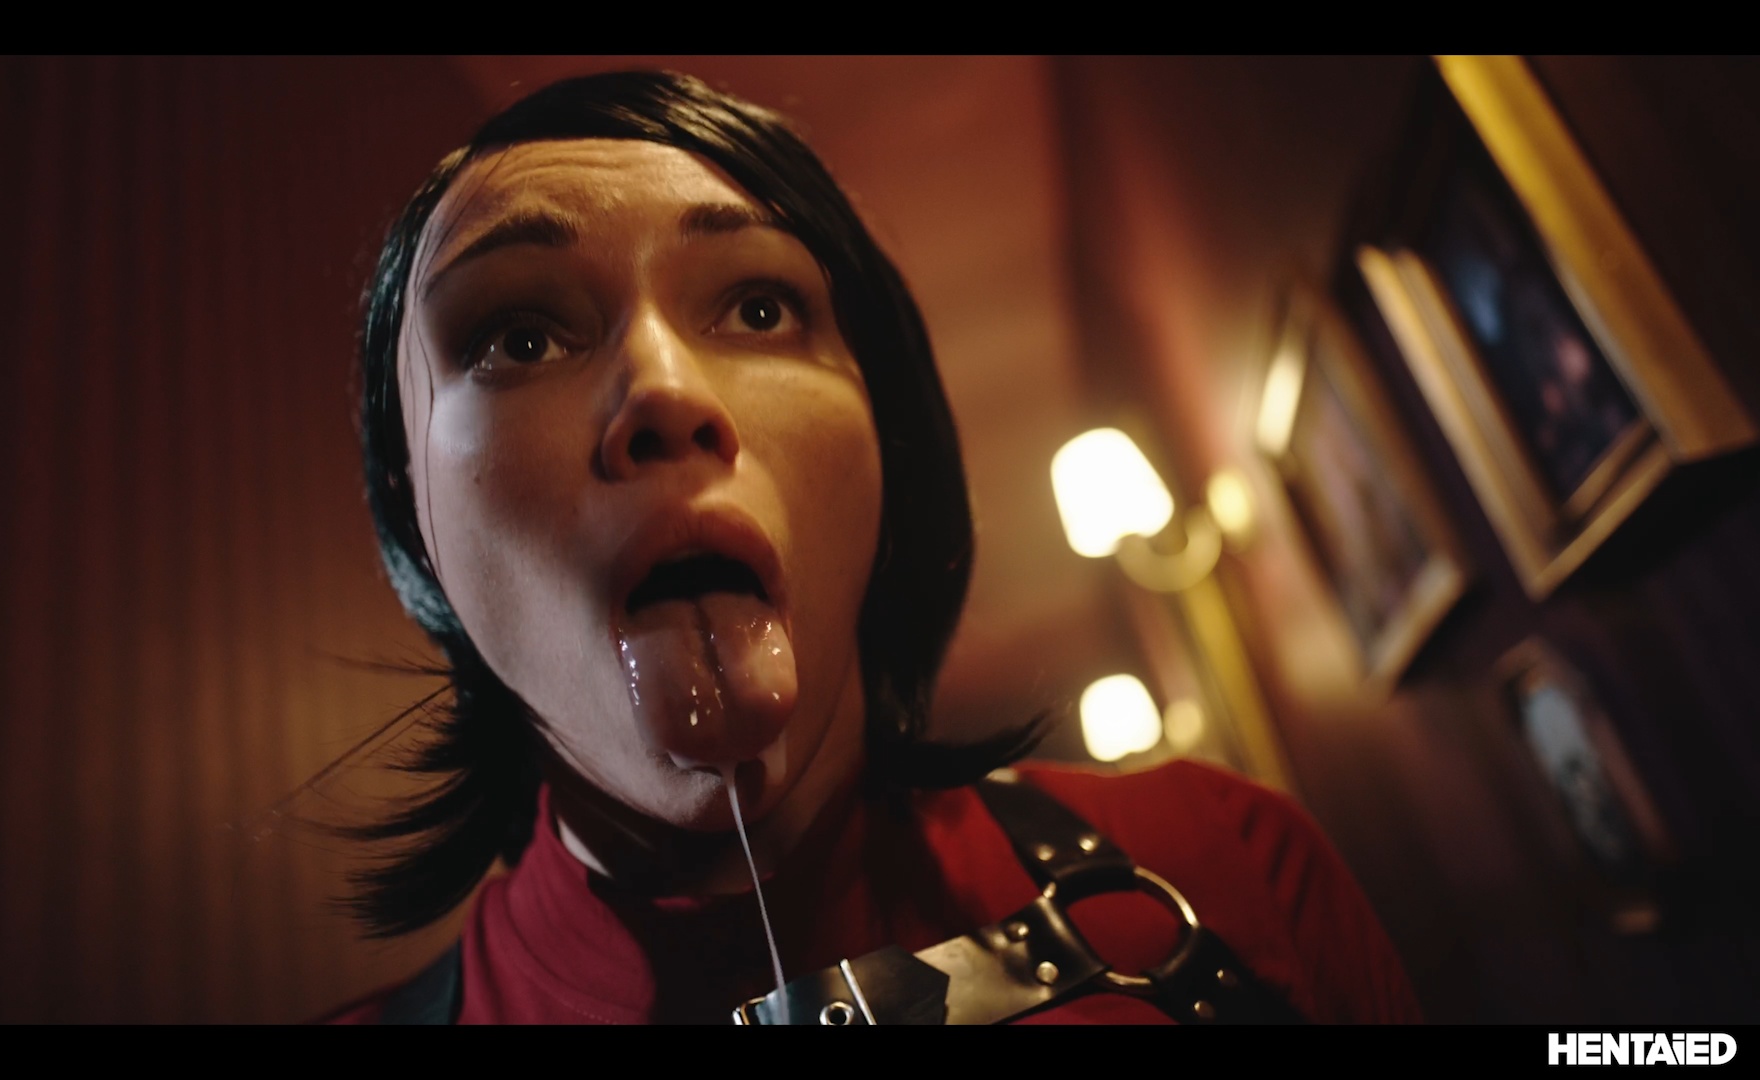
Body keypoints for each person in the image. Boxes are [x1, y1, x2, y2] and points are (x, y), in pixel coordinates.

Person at [325, 70, 1422, 1025]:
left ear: (886, 436)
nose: (666, 393)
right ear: (413, 510)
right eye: (519, 338)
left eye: (760, 309)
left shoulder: (1223, 864)